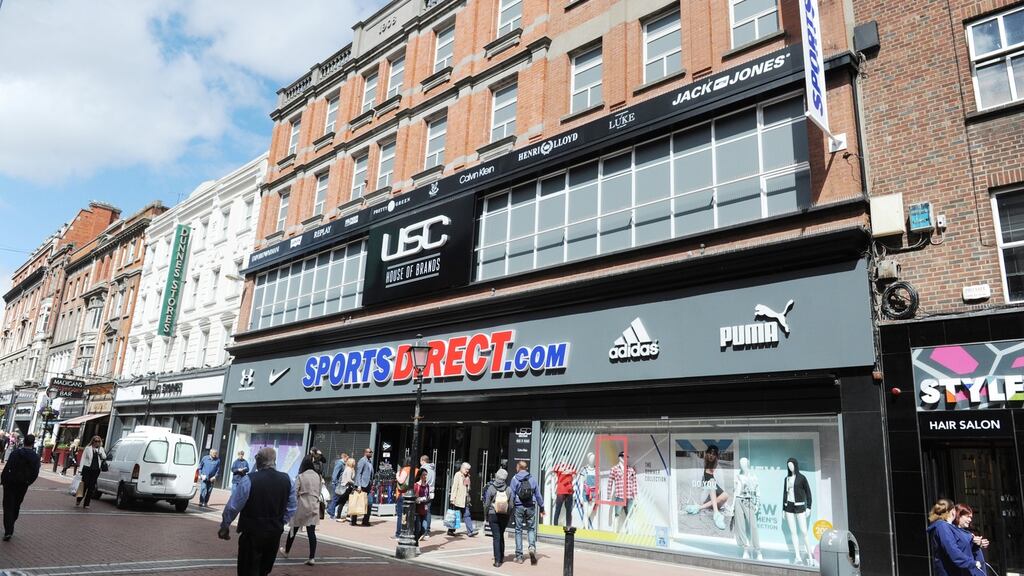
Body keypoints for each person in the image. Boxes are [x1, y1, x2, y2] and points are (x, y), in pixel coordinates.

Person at [219, 446, 297, 576]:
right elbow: (292, 507)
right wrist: (279, 522)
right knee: (264, 570)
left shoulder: (249, 479)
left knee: (247, 569)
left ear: (258, 461)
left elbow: (233, 506)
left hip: (252, 532)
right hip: (274, 533)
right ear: (274, 460)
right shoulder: (287, 480)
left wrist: (225, 525)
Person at [926, 498, 985, 576]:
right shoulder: (942, 526)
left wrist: (974, 543)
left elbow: (960, 546)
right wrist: (971, 563)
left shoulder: (949, 527)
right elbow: (952, 550)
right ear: (952, 511)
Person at [281, 456, 321, 566]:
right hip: (314, 504)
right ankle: (312, 557)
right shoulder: (317, 476)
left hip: (302, 504)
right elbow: (319, 490)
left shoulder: (301, 476)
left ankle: (286, 551)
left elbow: (294, 492)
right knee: (311, 532)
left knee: (293, 528)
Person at [1, 433, 41, 540]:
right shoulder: (35, 457)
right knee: (16, 504)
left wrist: (3, 479)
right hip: (23, 484)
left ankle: (8, 529)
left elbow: (8, 466)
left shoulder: (15, 453)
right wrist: (28, 482)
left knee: (8, 505)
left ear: (24, 442)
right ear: (33, 443)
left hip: (10, 483)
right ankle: (11, 523)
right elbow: (35, 472)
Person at [509, 460, 544, 565]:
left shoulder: (514, 479)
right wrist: (542, 507)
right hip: (530, 506)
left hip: (519, 506)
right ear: (526, 468)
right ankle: (532, 548)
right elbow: (538, 494)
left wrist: (510, 507)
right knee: (531, 528)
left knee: (518, 530)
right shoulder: (532, 479)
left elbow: (511, 495)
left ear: (518, 467)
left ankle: (519, 556)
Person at [483, 468, 512, 567]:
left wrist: (486, 515)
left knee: (496, 537)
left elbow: (487, 504)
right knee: (501, 535)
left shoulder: (491, 488)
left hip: (493, 514)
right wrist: (508, 514)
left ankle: (497, 560)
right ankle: (502, 557)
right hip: (504, 515)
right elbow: (511, 505)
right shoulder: (508, 489)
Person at [954, 503, 989, 575]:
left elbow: (969, 550)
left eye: (971, 518)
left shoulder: (967, 533)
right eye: (967, 517)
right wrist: (973, 543)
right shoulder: (952, 532)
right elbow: (958, 551)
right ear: (958, 515)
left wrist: (978, 544)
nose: (970, 520)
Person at [448, 462, 478, 537]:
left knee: (467, 515)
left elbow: (468, 488)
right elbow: (454, 487)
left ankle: (470, 531)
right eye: (466, 469)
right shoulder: (458, 475)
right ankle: (451, 530)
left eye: (468, 469)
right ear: (462, 468)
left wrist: (468, 481)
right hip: (458, 499)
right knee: (456, 515)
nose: (467, 471)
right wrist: (452, 498)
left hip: (465, 500)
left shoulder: (467, 476)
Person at [77, 436, 106, 509]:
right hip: (87, 469)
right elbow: (83, 458)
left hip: (96, 470)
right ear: (92, 441)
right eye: (95, 441)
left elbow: (104, 457)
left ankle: (87, 504)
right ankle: (79, 499)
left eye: (98, 441)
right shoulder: (88, 448)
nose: (97, 443)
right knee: (84, 485)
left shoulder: (101, 449)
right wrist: (80, 469)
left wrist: (100, 453)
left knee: (91, 487)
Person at [392, 458, 414, 539]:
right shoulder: (416, 470)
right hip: (413, 495)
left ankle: (398, 533)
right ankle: (409, 532)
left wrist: (397, 475)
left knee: (401, 515)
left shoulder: (405, 470)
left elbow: (401, 481)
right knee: (410, 515)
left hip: (403, 494)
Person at [351, 448, 373, 526]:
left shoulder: (369, 461)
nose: (371, 453)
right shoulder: (362, 461)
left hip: (368, 486)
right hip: (362, 485)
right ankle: (353, 521)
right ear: (365, 453)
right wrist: (359, 485)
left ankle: (365, 521)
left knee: (369, 502)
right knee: (357, 502)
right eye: (370, 452)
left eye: (371, 452)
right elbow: (359, 473)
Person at [326, 452, 349, 519]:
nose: (348, 460)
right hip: (337, 484)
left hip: (339, 484)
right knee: (335, 499)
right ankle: (331, 513)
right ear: (344, 457)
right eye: (347, 458)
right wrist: (335, 483)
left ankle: (330, 510)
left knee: (337, 498)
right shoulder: (340, 464)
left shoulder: (343, 464)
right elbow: (335, 474)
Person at [419, 455, 435, 539]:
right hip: (431, 492)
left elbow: (420, 480)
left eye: (420, 461)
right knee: (428, 511)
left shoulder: (423, 469)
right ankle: (427, 530)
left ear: (423, 460)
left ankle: (423, 531)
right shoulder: (432, 469)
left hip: (424, 491)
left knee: (421, 511)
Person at [335, 457, 356, 522]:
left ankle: (346, 516)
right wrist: (355, 483)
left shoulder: (349, 469)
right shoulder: (349, 469)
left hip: (347, 487)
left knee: (345, 502)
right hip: (347, 487)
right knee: (343, 502)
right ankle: (340, 516)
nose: (355, 463)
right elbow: (349, 479)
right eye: (354, 462)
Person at [413, 469, 431, 543]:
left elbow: (427, 495)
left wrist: (428, 498)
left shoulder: (427, 485)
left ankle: (416, 539)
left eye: (426, 475)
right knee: (418, 528)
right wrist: (420, 499)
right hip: (417, 509)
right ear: (420, 475)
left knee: (424, 528)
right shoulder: (416, 485)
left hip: (425, 508)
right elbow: (414, 498)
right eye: (424, 474)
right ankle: (415, 543)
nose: (425, 476)